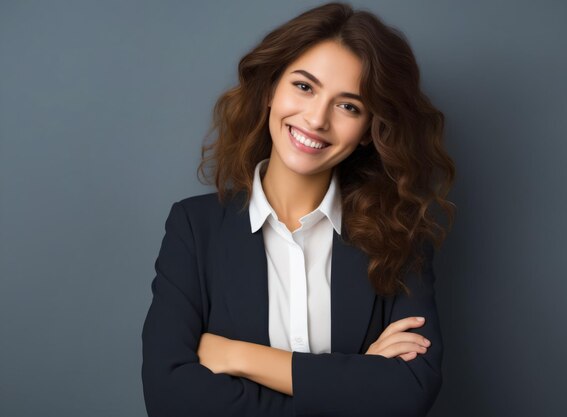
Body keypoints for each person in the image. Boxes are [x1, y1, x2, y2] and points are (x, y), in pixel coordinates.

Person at [141, 2, 456, 416]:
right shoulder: (194, 227)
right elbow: (169, 398)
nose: (316, 119)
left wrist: (240, 357)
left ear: (367, 131)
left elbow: (407, 395)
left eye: (349, 106)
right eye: (304, 87)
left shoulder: (401, 237)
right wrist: (358, 380)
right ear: (271, 89)